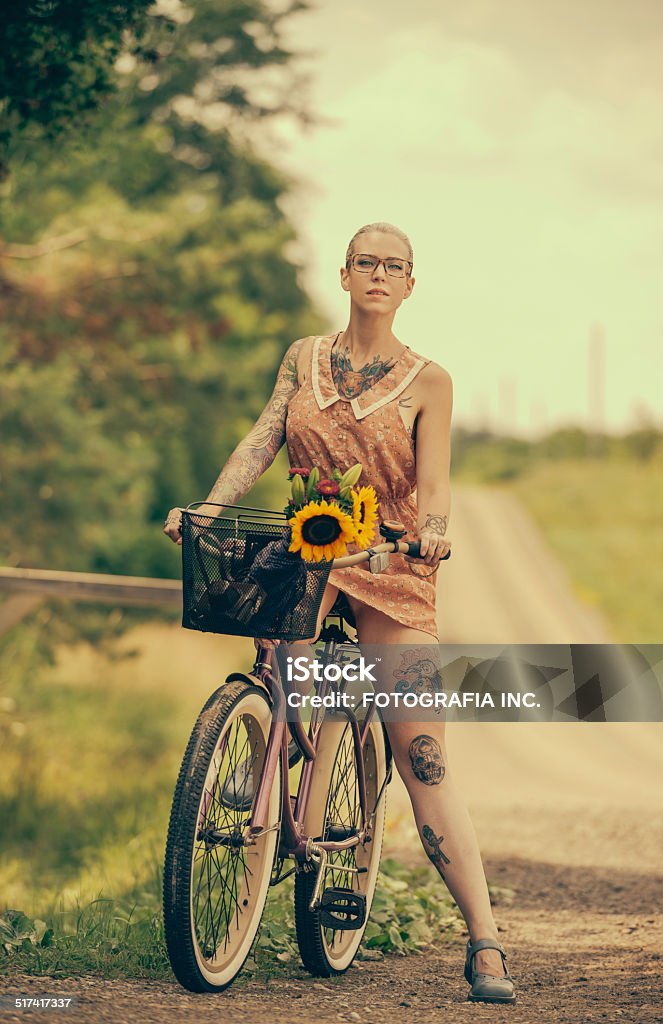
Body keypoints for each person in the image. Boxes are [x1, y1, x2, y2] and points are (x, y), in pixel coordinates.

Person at [163, 221, 516, 1004]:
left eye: (396, 266)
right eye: (368, 262)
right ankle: (262, 761)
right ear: (346, 274)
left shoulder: (431, 381)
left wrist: (429, 535)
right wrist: (209, 508)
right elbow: (263, 439)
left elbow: (436, 488)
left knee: (423, 758)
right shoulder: (304, 357)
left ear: (411, 284)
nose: (380, 275)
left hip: (390, 565)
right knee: (277, 671)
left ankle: (485, 941)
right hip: (307, 551)